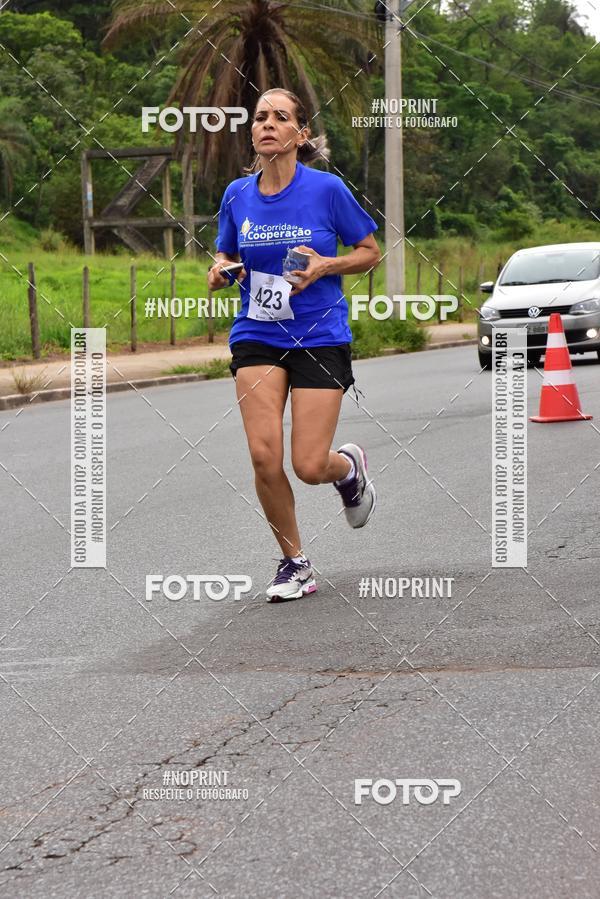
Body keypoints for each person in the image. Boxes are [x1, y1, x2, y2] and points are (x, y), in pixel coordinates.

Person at [208, 88, 381, 603]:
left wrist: (326, 266)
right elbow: (223, 252)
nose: (267, 124)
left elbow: (369, 252)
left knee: (308, 465)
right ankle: (294, 562)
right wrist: (219, 271)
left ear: (299, 135)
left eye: (280, 117)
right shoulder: (237, 194)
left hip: (319, 335)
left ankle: (347, 469)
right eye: (260, 117)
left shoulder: (326, 190)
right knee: (264, 456)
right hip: (257, 333)